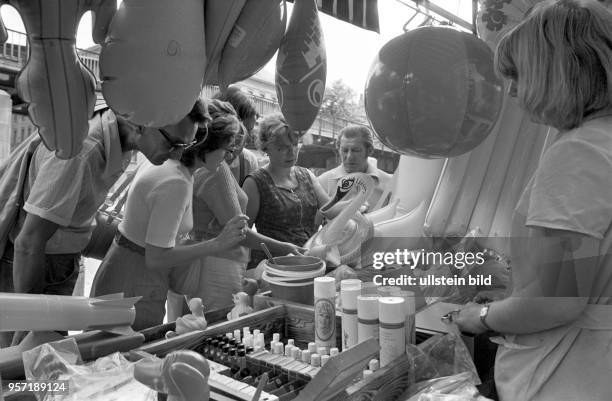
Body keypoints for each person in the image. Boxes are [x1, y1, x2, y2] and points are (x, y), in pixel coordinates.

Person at [452, 2, 612, 400]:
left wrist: (482, 317)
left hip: (568, 375)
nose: (511, 90)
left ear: (554, 71)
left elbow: (559, 300)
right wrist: (518, 285)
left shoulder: (579, 152)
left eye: (518, 74)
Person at [0, 100, 208, 346]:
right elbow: (28, 241)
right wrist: (32, 322)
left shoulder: (122, 142)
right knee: (24, 376)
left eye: (186, 145)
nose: (178, 154)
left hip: (54, 262)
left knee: (48, 367)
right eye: (173, 143)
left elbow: (73, 219)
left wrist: (130, 249)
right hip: (30, 267)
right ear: (141, 124)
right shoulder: (83, 151)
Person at [90, 105, 248, 330]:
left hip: (128, 273)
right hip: (136, 284)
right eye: (226, 149)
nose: (228, 157)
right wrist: (216, 244)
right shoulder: (176, 182)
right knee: (125, 356)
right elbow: (156, 257)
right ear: (207, 146)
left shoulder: (170, 166)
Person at [186, 100, 305, 311]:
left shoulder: (208, 167)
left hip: (215, 263)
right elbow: (240, 232)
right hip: (219, 266)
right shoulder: (216, 171)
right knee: (222, 325)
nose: (237, 147)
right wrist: (285, 247)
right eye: (235, 139)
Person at [242, 113, 329, 269]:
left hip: (309, 262)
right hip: (273, 267)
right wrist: (283, 247)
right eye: (281, 148)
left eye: (295, 144)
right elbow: (242, 233)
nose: (291, 152)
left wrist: (353, 203)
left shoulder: (307, 174)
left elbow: (331, 209)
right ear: (266, 148)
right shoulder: (255, 182)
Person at [317, 125, 392, 212]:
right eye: (344, 150)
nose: (349, 157)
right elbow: (314, 223)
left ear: (369, 150)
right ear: (338, 150)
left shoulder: (389, 183)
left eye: (356, 150)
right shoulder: (323, 182)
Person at [212, 86, 259, 185]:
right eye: (240, 133)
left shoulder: (248, 161)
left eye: (249, 133)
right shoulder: (194, 163)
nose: (246, 140)